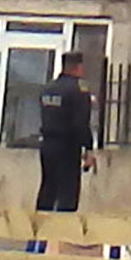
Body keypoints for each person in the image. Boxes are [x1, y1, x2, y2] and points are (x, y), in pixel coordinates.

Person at [37, 51, 95, 213]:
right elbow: (81, 123)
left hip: (47, 145)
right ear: (78, 67)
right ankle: (61, 234)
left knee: (48, 189)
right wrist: (88, 149)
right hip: (67, 148)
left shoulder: (48, 88)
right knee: (67, 193)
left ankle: (38, 234)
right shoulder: (79, 90)